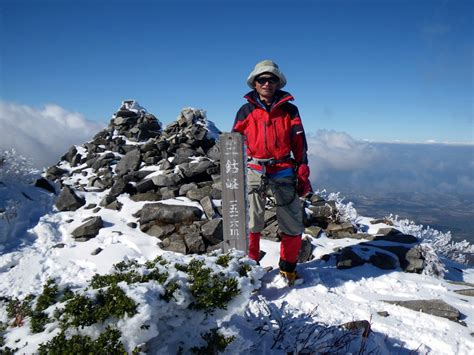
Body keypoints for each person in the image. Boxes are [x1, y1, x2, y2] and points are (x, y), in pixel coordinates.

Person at [232, 60, 311, 285]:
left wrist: (303, 167)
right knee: (252, 220)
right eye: (262, 79)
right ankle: (250, 270)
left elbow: (298, 140)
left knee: (292, 221)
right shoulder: (246, 110)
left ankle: (288, 268)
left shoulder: (289, 109)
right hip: (255, 168)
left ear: (278, 83)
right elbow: (234, 141)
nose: (267, 83)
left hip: (283, 168)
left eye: (271, 79)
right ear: (254, 84)